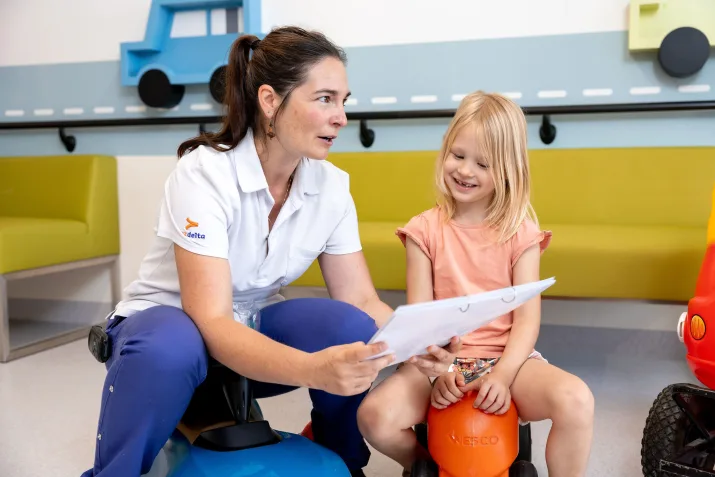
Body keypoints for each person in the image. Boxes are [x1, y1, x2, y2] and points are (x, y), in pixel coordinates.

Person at [80, 26, 458, 477]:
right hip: (166, 332)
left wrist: (418, 344)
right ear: (269, 101)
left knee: (350, 327)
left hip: (248, 328)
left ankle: (344, 461)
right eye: (324, 99)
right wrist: (313, 370)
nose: (341, 117)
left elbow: (360, 300)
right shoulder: (203, 174)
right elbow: (211, 320)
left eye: (344, 101)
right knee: (172, 346)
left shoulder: (332, 186)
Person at [356, 91, 595, 477]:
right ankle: (425, 465)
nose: (465, 170)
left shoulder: (521, 232)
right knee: (372, 416)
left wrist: (502, 376)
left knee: (577, 399)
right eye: (458, 155)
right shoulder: (423, 231)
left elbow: (527, 322)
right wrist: (439, 373)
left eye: (483, 163)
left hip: (507, 361)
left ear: (508, 170)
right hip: (438, 362)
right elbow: (422, 321)